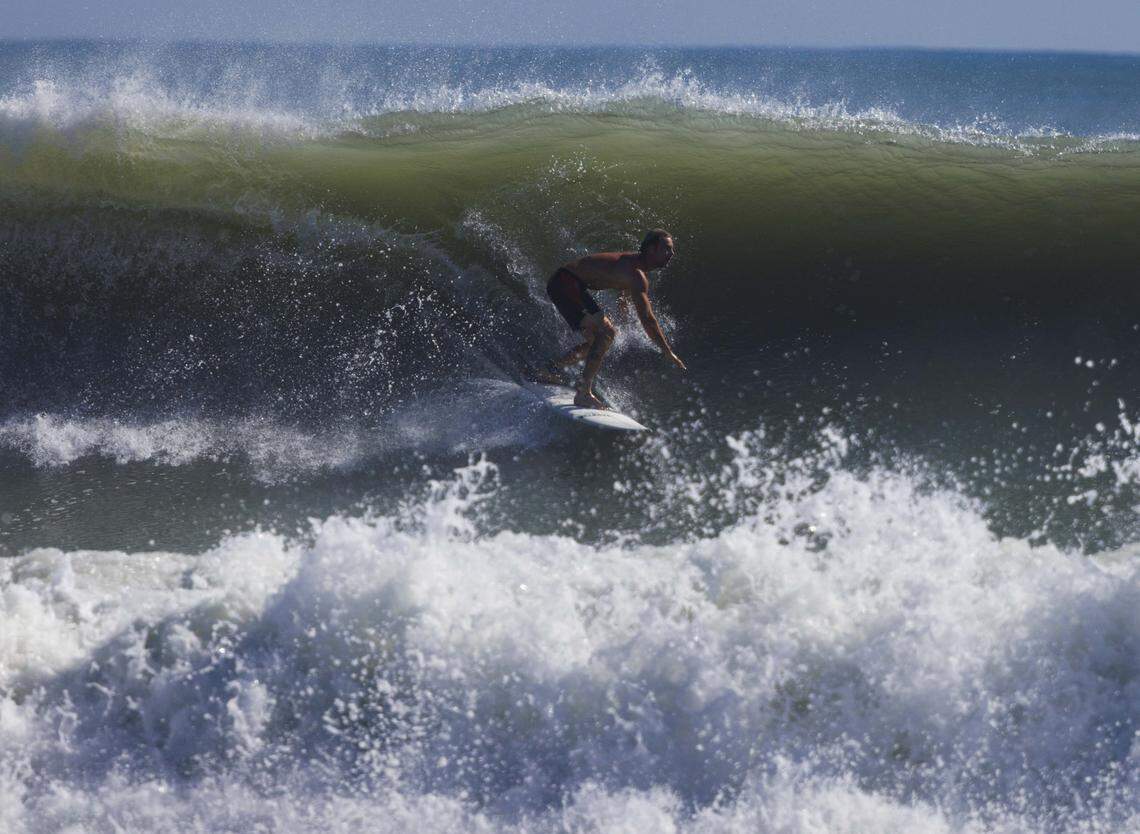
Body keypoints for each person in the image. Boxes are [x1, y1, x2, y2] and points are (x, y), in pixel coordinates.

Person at [545, 229, 686, 409]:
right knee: (607, 333)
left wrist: (624, 313)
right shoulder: (637, 275)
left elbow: (623, 292)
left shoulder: (633, 264)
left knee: (597, 340)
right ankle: (583, 393)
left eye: (672, 250)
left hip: (567, 283)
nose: (671, 254)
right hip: (566, 284)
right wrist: (667, 351)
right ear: (651, 249)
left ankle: (550, 369)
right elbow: (648, 320)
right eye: (666, 249)